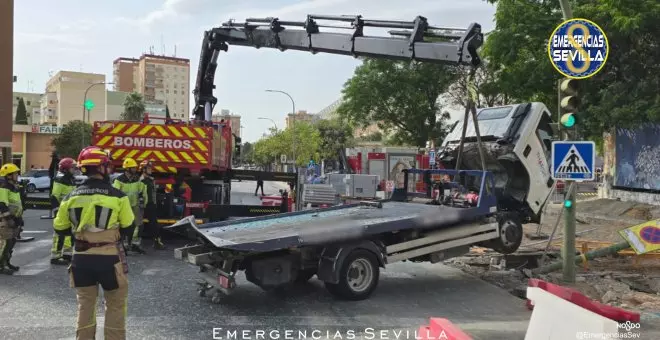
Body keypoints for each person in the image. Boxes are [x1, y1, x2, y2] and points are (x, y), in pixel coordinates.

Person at [54, 146, 134, 340]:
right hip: (109, 259)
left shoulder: (70, 197)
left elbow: (60, 228)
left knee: (85, 306)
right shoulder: (118, 196)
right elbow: (129, 226)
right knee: (115, 306)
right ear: (102, 168)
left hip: (81, 259)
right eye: (107, 166)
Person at [113, 158, 146, 254]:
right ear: (127, 169)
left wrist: (142, 199)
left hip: (135, 205)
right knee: (124, 225)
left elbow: (140, 190)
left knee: (138, 224)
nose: (135, 170)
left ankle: (135, 244)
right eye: (133, 168)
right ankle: (123, 245)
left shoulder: (136, 179)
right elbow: (115, 193)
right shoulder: (119, 180)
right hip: (124, 206)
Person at [50, 157, 78, 265]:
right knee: (59, 234)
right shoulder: (60, 180)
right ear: (66, 169)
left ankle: (67, 254)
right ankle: (55, 256)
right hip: (61, 211)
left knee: (70, 233)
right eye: (72, 167)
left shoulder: (71, 180)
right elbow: (54, 197)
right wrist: (57, 211)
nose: (74, 169)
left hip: (70, 211)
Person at [0, 163, 23, 274]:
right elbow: (2, 204)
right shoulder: (4, 187)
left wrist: (19, 218)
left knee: (12, 242)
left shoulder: (14, 187)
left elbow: (16, 204)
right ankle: (1, 266)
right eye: (15, 173)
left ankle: (6, 262)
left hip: (14, 218)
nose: (17, 175)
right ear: (8, 175)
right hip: (6, 220)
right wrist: (9, 219)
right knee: (5, 242)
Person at [139, 160, 165, 250]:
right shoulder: (140, 181)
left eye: (150, 168)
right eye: (149, 168)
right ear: (143, 169)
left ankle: (157, 242)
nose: (151, 170)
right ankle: (134, 243)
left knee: (154, 224)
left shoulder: (151, 180)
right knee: (138, 224)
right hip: (142, 205)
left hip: (151, 205)